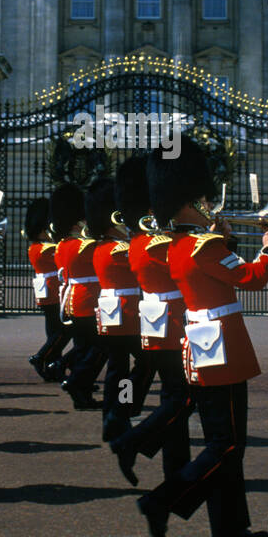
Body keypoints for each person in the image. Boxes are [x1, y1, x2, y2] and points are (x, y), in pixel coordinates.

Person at [136, 137, 268, 537]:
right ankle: (161, 501)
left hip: (201, 347)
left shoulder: (182, 246)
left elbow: (218, 271)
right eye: (200, 197)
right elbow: (253, 279)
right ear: (187, 199)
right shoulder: (204, 245)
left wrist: (225, 239)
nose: (206, 203)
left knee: (224, 443)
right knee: (228, 444)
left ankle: (230, 531)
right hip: (223, 350)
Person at [112, 155, 192, 487]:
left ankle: (176, 468)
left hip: (160, 323)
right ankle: (130, 442)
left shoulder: (140, 243)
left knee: (174, 396)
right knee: (185, 397)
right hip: (173, 326)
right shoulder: (161, 244)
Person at [85, 178, 142, 443]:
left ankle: (113, 416)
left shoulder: (101, 247)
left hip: (110, 313)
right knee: (143, 363)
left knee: (117, 368)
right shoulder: (120, 249)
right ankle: (121, 411)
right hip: (127, 314)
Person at [52, 183, 105, 410]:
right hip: (87, 301)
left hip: (74, 299)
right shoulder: (84, 245)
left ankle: (80, 390)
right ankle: (76, 382)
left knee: (84, 347)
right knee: (101, 346)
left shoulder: (63, 244)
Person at [25, 197, 65, 381]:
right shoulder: (46, 249)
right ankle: (43, 358)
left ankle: (52, 367)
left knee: (54, 331)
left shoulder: (37, 247)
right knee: (61, 332)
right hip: (54, 292)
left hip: (48, 292)